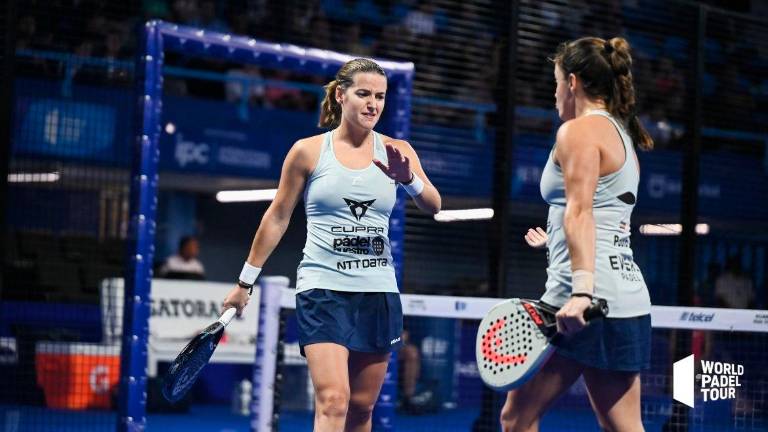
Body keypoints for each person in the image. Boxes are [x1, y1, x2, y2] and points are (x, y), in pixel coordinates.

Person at [221, 58, 441, 432]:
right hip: (322, 292)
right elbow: (277, 216)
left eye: (380, 96)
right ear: (341, 95)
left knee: (360, 408)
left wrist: (410, 181)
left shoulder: (397, 149)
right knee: (334, 400)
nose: (373, 104)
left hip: (378, 293)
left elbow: (434, 205)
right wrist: (244, 282)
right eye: (363, 94)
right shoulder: (307, 151)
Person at [501, 37, 654, 432]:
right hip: (621, 299)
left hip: (583, 305)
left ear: (572, 82)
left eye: (555, 83)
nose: (553, 94)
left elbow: (582, 211)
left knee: (517, 419)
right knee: (621, 426)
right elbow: (601, 216)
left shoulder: (579, 132)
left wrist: (582, 292)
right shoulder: (621, 135)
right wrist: (555, 246)